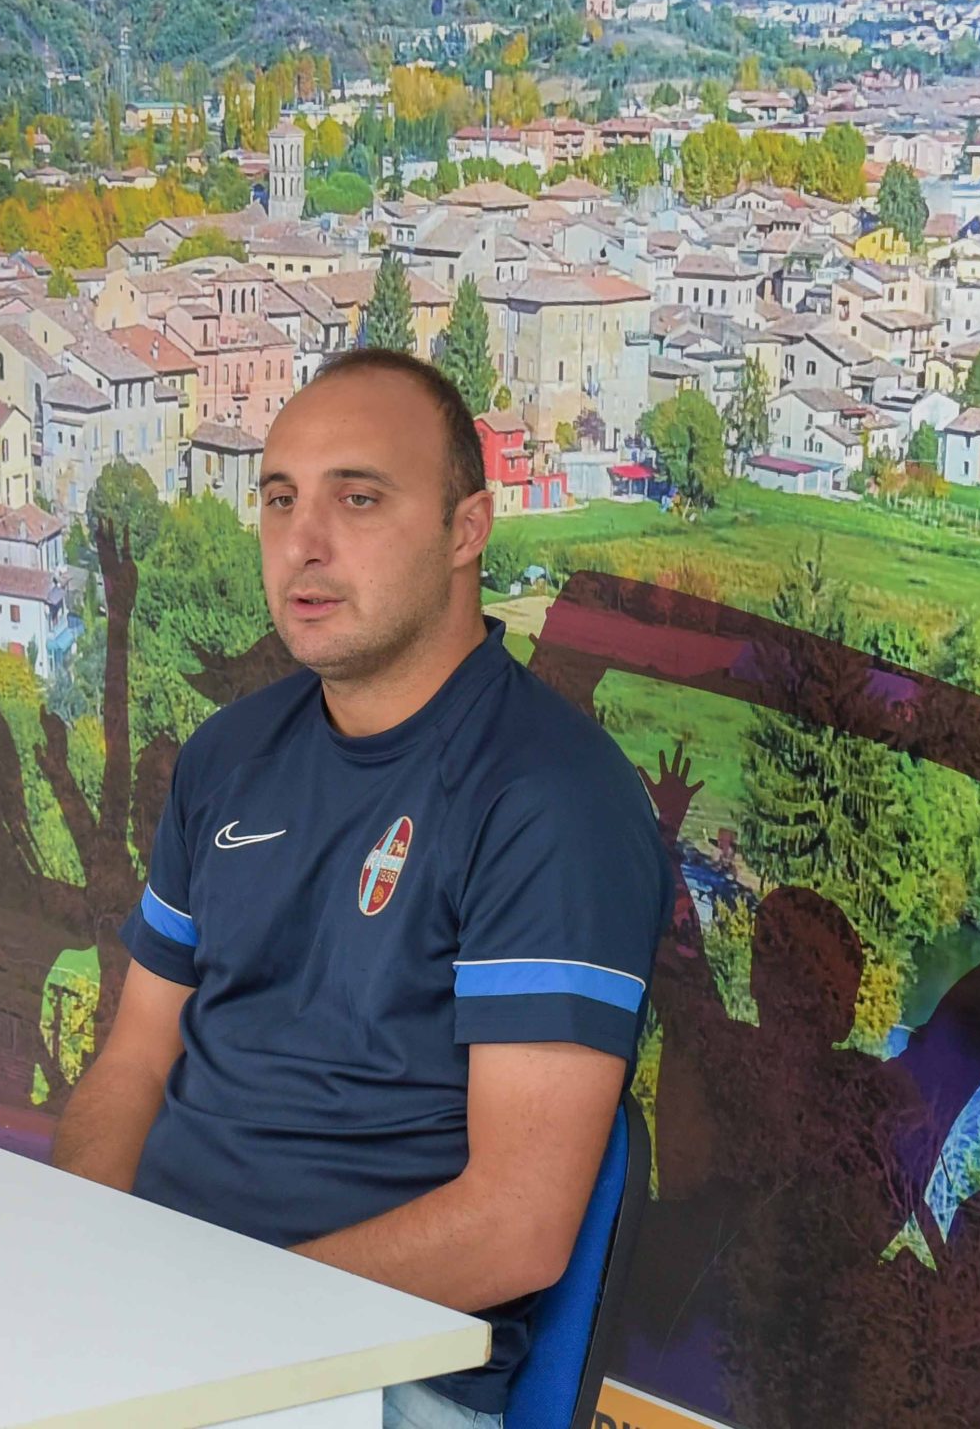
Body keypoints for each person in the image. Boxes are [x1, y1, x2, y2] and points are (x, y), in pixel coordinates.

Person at [51, 349, 670, 1428]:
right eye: (279, 499)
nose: (304, 542)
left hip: (377, 1371)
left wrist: (220, 1329)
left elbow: (518, 1224)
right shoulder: (226, 756)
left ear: (467, 530)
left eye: (359, 499)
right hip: (159, 1326)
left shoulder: (550, 802)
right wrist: (77, 1262)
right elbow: (136, 1057)